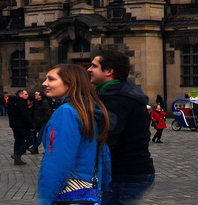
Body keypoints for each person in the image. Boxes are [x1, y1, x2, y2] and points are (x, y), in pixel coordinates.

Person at [37, 64, 111, 205]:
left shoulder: (66, 112)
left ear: (70, 84)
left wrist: (44, 200)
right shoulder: (90, 110)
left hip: (70, 193)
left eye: (51, 79)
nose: (44, 83)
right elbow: (104, 155)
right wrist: (104, 187)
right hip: (90, 191)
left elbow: (57, 162)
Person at [90, 51, 154, 205]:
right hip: (133, 172)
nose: (89, 69)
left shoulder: (117, 100)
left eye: (94, 66)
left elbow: (106, 137)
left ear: (109, 71)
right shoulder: (120, 92)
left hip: (124, 174)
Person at [8, 87, 38, 164]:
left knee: (18, 141)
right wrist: (31, 125)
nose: (27, 96)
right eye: (25, 94)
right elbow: (25, 115)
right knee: (30, 140)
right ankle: (17, 154)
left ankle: (17, 160)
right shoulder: (22, 103)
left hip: (14, 125)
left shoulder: (12, 102)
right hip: (22, 125)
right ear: (20, 95)